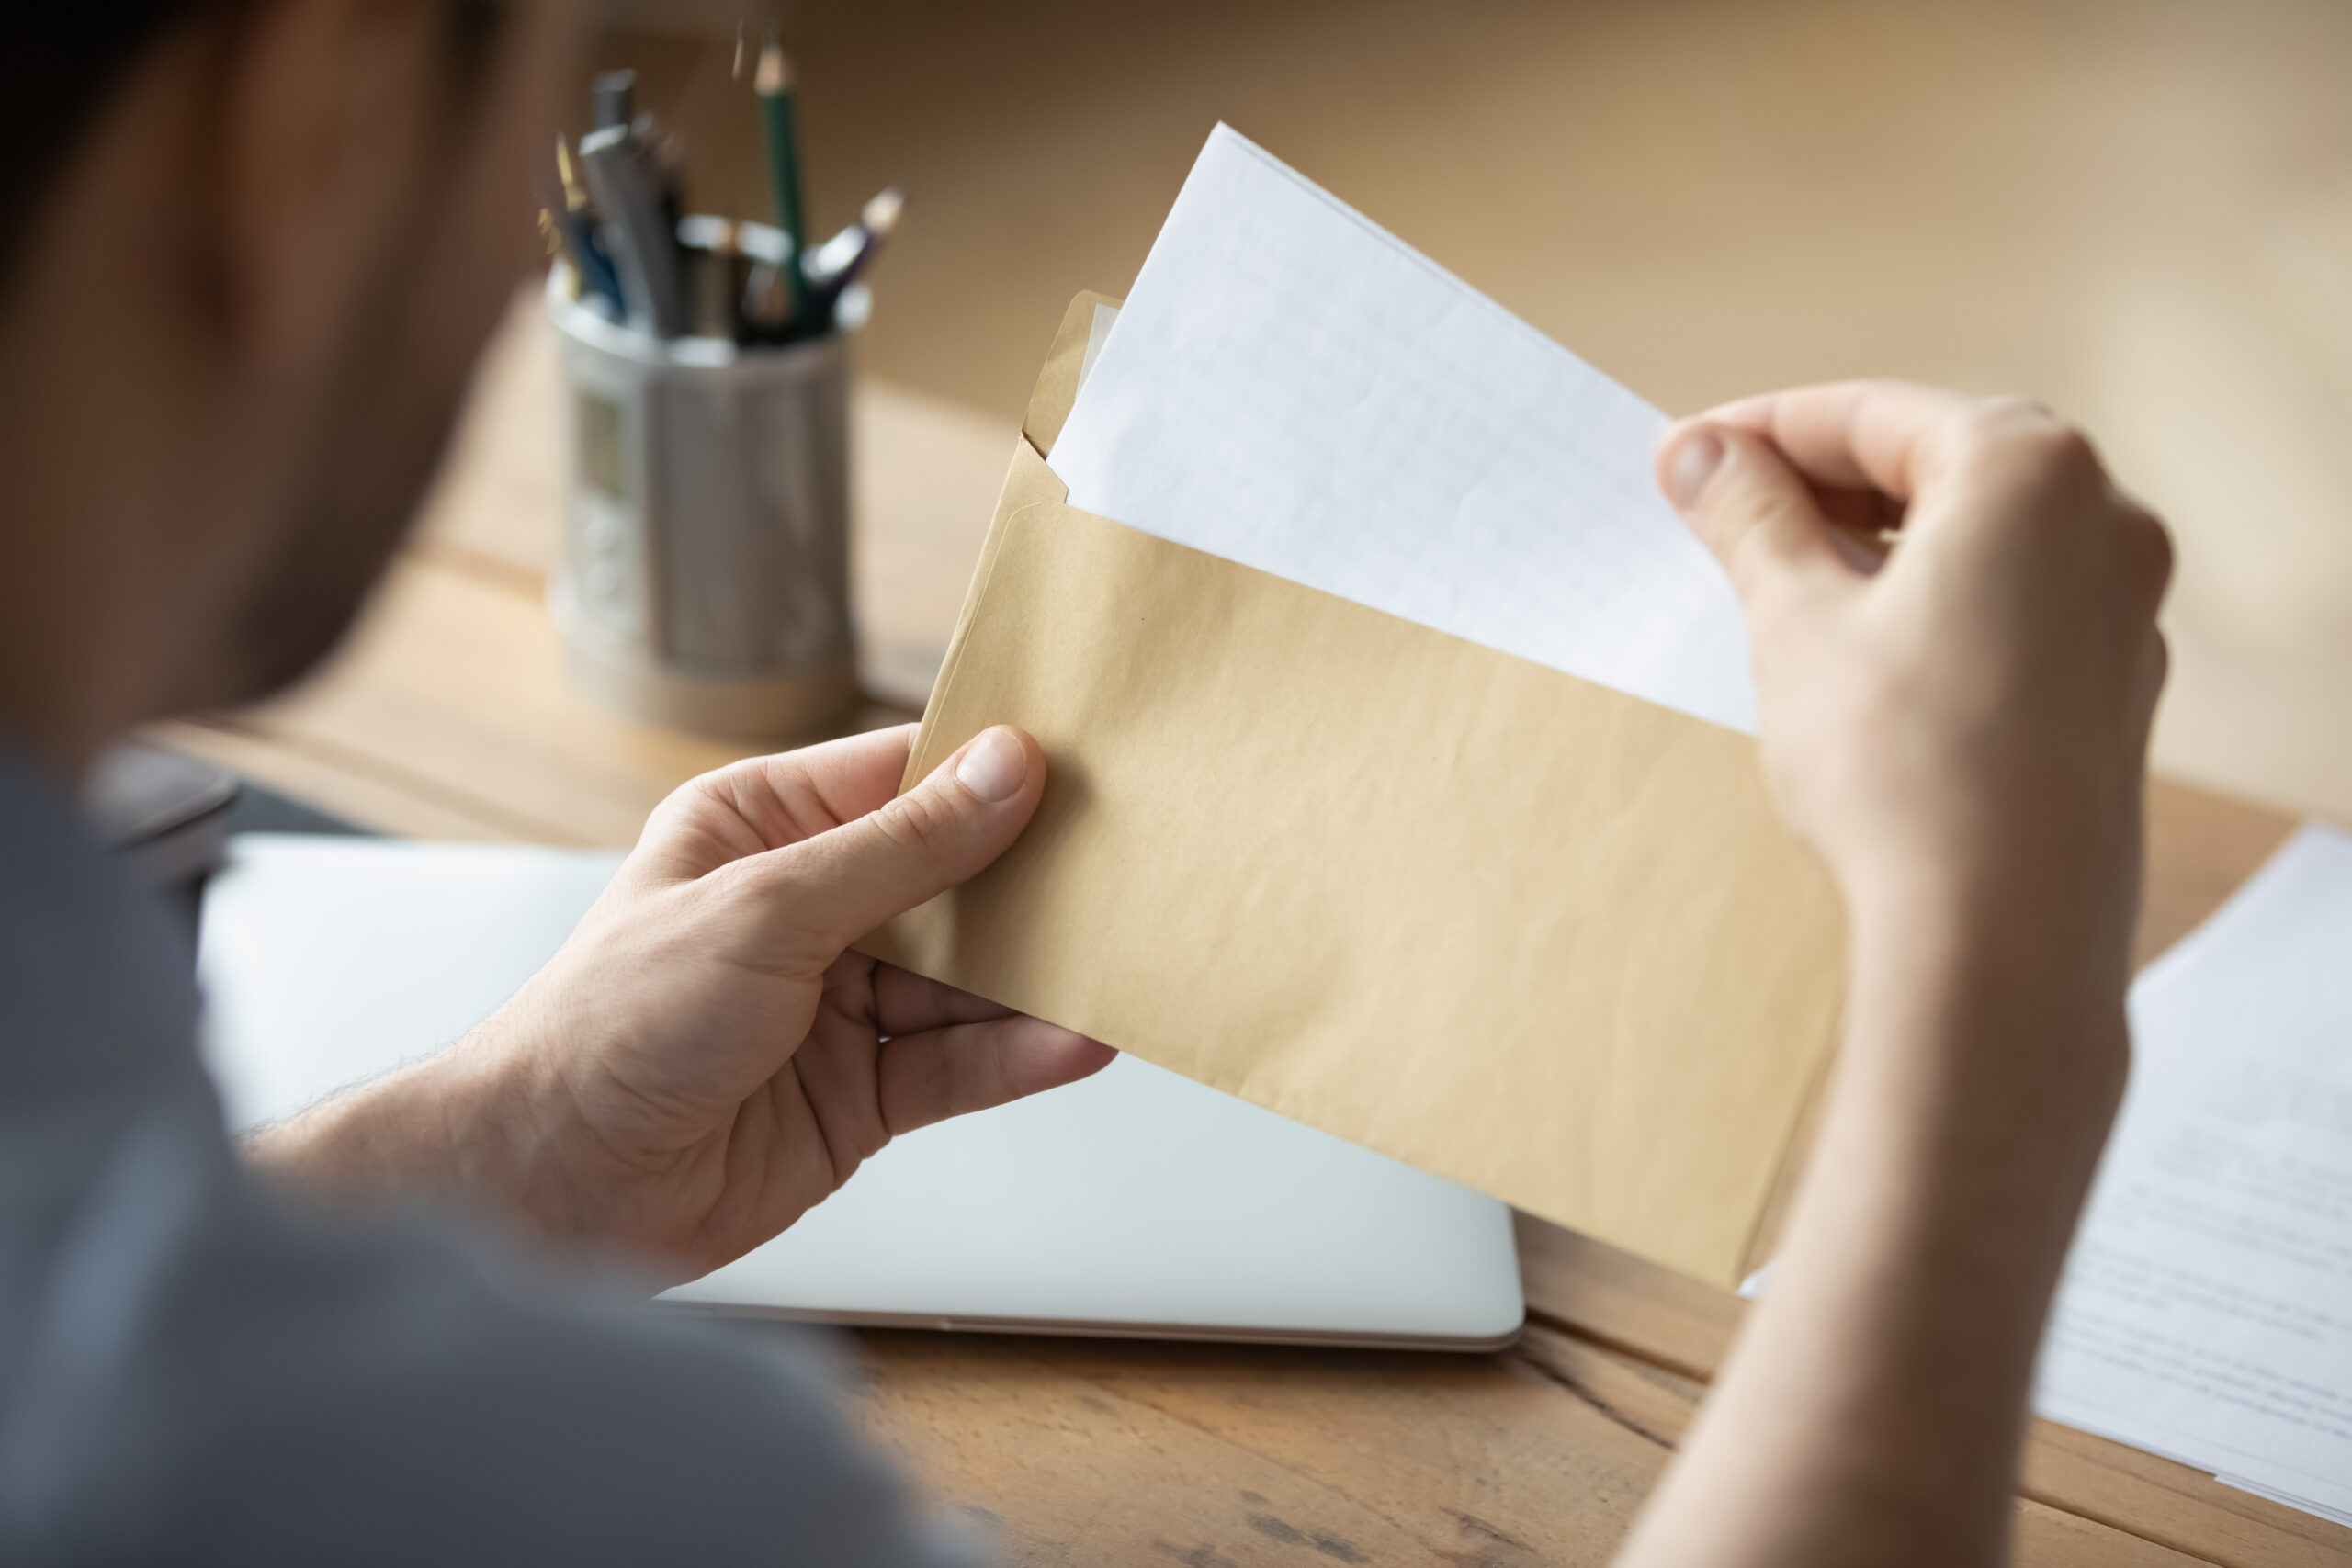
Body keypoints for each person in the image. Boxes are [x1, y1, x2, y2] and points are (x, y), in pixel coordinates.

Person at [0, 3, 2169, 1565]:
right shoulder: (625, 1494)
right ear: (323, 110)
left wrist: (507, 1144)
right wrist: (1989, 985)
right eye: (586, 63)